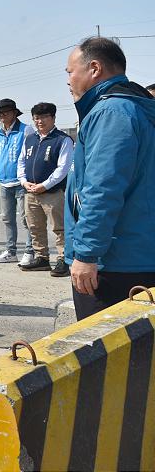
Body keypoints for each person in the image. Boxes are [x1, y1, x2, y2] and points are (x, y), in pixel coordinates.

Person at [64, 37, 155, 320]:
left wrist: (87, 254)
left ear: (94, 68)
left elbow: (103, 189)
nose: (68, 80)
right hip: (136, 255)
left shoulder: (111, 112)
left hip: (113, 263)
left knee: (101, 355)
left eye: (70, 72)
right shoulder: (136, 107)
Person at [15, 103, 73, 275]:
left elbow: (63, 168)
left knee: (60, 228)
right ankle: (42, 258)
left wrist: (44, 185)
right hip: (31, 191)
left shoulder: (63, 140)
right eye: (36, 118)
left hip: (53, 193)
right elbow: (21, 162)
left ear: (53, 118)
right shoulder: (30, 139)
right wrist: (24, 182)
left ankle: (64, 260)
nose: (40, 121)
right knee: (35, 226)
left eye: (44, 117)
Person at [0, 98, 35, 264]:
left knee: (27, 219)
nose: (2, 115)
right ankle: (11, 251)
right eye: (0, 113)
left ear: (15, 113)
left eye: (6, 112)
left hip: (22, 183)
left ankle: (30, 251)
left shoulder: (26, 130)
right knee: (8, 219)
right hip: (4, 182)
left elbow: (30, 156)